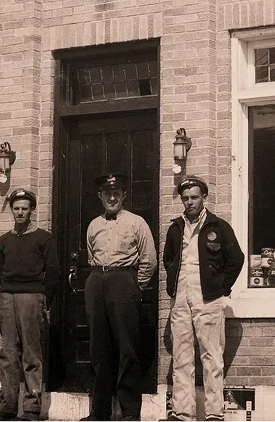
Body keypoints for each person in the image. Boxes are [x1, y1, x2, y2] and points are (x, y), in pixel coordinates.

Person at [161, 176, 244, 422]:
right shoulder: (176, 227)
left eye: (194, 197)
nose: (190, 203)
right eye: (185, 199)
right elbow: (169, 259)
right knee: (181, 356)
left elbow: (236, 259)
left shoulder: (219, 226)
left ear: (204, 198)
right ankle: (183, 413)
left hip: (208, 296)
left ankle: (214, 414)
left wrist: (221, 287)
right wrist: (175, 285)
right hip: (181, 296)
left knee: (212, 357)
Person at [82, 172, 157, 422]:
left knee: (127, 347)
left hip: (124, 281)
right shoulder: (94, 225)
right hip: (97, 280)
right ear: (100, 196)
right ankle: (100, 410)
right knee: (98, 348)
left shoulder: (137, 223)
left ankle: (130, 412)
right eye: (107, 193)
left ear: (124, 195)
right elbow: (91, 256)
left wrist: (135, 287)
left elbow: (149, 261)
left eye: (116, 193)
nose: (111, 197)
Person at [0, 188, 61, 422]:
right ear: (12, 210)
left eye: (24, 208)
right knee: (8, 353)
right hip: (8, 297)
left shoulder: (43, 238)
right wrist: (7, 292)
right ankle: (8, 405)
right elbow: (2, 272)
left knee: (31, 353)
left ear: (31, 210)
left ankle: (31, 407)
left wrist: (42, 299)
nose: (20, 212)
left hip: (32, 297)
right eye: (16, 208)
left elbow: (53, 272)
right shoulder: (4, 240)